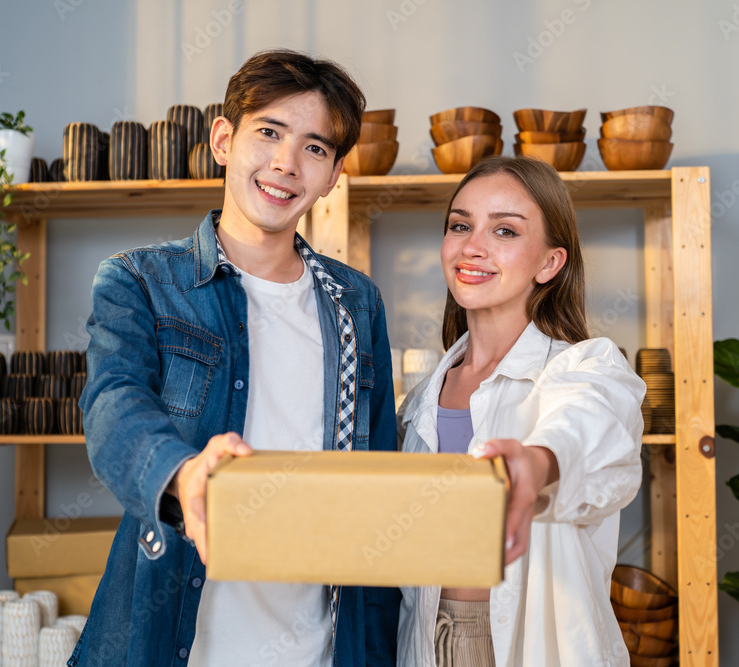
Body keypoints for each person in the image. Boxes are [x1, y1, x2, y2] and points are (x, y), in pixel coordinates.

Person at [70, 49, 400, 667]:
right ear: (224, 139)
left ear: (333, 175)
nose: (285, 163)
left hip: (322, 646)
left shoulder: (357, 303)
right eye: (269, 133)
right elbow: (113, 406)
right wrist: (185, 475)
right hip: (171, 643)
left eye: (314, 147)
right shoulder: (138, 281)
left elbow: (376, 484)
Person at [395, 156, 646, 667]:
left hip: (524, 643)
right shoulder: (420, 399)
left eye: (504, 230)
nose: (472, 246)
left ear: (550, 263)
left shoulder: (587, 367)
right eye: (460, 225)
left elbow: (588, 428)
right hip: (420, 639)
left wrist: (534, 464)